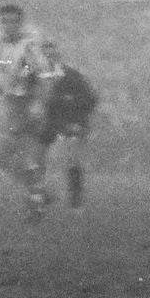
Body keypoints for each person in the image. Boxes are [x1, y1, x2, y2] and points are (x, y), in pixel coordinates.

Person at [0, 3, 62, 221]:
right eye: (5, 21)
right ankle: (41, 194)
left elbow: (44, 77)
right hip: (13, 107)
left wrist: (38, 104)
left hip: (26, 107)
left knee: (19, 157)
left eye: (13, 21)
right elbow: (6, 81)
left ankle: (37, 207)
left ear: (21, 22)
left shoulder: (29, 46)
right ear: (0, 24)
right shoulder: (6, 47)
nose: (8, 25)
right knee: (0, 155)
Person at [40, 43, 98, 209]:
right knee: (41, 157)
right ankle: (44, 196)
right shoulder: (39, 77)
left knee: (72, 160)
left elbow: (90, 98)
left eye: (51, 55)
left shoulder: (71, 75)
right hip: (52, 123)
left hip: (72, 124)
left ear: (57, 56)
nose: (48, 59)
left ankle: (75, 201)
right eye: (45, 56)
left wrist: (73, 112)